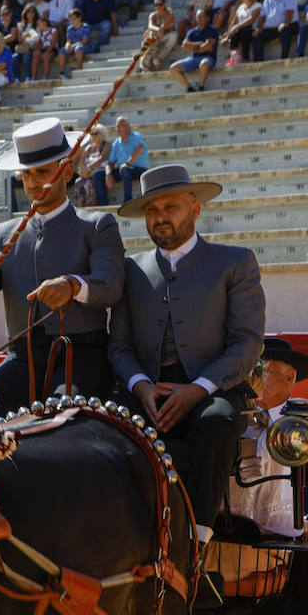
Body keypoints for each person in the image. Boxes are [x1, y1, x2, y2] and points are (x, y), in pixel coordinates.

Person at [107, 164, 266, 539]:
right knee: (100, 422)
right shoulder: (131, 270)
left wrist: (197, 389)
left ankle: (197, 537)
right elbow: (119, 345)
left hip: (211, 391)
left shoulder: (235, 261)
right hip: (147, 392)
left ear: (195, 209)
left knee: (216, 422)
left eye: (170, 208)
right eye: (151, 211)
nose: (160, 218)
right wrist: (142, 387)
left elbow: (246, 342)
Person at [0, 117, 124, 414]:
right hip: (21, 359)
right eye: (26, 173)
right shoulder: (1, 234)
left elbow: (111, 286)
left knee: (61, 421)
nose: (32, 182)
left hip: (81, 355)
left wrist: (72, 285)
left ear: (66, 171)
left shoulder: (97, 226)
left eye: (42, 172)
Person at [254, 337, 308, 542]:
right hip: (242, 512)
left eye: (264, 371)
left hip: (294, 514)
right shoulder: (237, 419)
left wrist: (284, 509)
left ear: (289, 378)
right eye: (252, 372)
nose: (255, 380)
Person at [99, 116, 148, 208]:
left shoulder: (136, 136)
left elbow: (140, 148)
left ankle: (127, 201)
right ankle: (102, 204)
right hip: (124, 171)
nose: (117, 129)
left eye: (119, 126)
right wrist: (108, 174)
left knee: (125, 170)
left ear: (127, 127)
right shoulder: (116, 143)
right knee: (98, 174)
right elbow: (110, 163)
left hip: (139, 170)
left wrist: (127, 164)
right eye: (116, 126)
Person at [170, 8, 220, 92]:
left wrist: (194, 48)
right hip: (193, 59)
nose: (200, 19)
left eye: (202, 17)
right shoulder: (192, 32)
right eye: (198, 17)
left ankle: (201, 87)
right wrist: (201, 43)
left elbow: (209, 47)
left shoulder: (213, 30)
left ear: (207, 18)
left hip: (209, 58)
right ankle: (189, 88)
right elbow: (184, 45)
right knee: (173, 68)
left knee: (204, 63)